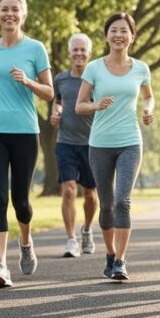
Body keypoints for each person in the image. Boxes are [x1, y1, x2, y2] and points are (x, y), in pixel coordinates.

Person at [0, 0, 54, 288]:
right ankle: (1, 266)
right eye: (4, 9)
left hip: (25, 133)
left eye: (15, 9)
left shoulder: (35, 48)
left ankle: (26, 241)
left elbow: (49, 92)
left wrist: (28, 81)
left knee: (21, 202)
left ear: (23, 15)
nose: (9, 14)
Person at [76, 12, 154, 281]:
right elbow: (79, 105)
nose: (119, 35)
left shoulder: (141, 68)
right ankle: (110, 254)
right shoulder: (94, 68)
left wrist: (148, 110)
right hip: (100, 144)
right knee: (107, 204)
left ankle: (120, 261)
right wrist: (96, 105)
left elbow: (149, 97)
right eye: (114, 30)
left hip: (130, 141)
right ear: (106, 36)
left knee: (123, 201)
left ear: (132, 36)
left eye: (124, 31)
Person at [51, 33, 98, 258]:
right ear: (70, 53)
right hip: (66, 142)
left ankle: (87, 230)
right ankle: (71, 239)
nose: (79, 53)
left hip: (92, 143)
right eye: (75, 50)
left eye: (83, 50)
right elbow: (58, 101)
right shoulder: (60, 79)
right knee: (69, 189)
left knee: (90, 194)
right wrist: (56, 113)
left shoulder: (97, 79)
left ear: (89, 53)